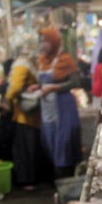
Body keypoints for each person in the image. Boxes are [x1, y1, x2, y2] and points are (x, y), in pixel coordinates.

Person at [29, 27, 83, 179]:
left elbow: (75, 82)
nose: (43, 45)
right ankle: (58, 182)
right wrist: (38, 87)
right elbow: (43, 81)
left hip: (63, 107)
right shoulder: (42, 60)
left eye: (46, 41)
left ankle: (67, 181)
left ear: (54, 41)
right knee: (51, 143)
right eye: (41, 41)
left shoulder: (66, 59)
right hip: (47, 109)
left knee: (64, 144)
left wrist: (54, 88)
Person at [1, 36, 49, 189]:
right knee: (32, 146)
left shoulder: (21, 65)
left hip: (24, 114)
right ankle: (35, 177)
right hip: (33, 114)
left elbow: (14, 87)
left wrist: (6, 101)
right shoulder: (31, 63)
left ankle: (28, 180)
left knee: (25, 149)